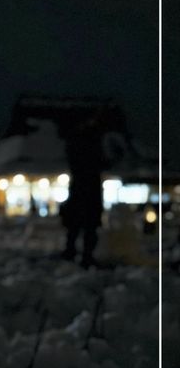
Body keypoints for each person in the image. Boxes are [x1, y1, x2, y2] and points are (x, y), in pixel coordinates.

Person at [61, 111, 108, 268]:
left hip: (85, 189)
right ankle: (76, 253)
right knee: (82, 227)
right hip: (85, 189)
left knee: (85, 227)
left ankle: (80, 254)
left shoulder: (85, 140)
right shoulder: (83, 141)